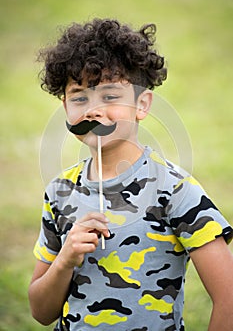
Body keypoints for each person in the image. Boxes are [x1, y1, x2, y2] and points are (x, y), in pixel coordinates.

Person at [28, 18, 233, 331]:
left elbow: (228, 299)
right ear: (65, 105)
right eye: (80, 97)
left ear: (142, 103)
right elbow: (41, 312)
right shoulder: (59, 193)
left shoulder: (176, 190)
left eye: (110, 96)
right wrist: (65, 259)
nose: (93, 110)